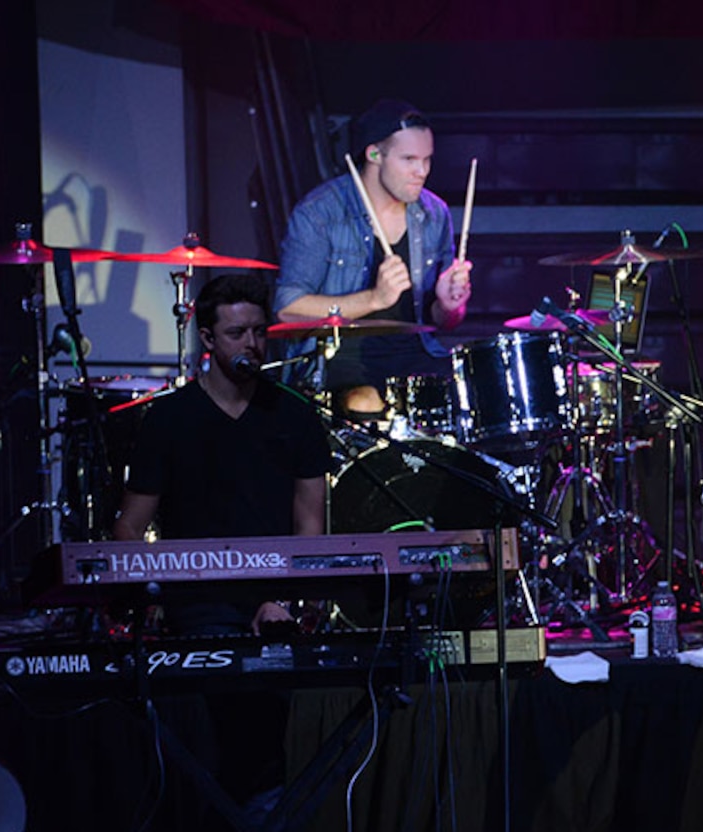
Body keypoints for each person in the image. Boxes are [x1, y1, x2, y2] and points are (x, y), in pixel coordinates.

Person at [114, 271, 330, 632]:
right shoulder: (169, 417)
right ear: (207, 338)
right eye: (236, 334)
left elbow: (309, 526)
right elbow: (130, 526)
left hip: (275, 602)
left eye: (259, 332)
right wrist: (150, 595)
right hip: (194, 601)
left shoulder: (295, 414)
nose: (252, 344)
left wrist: (285, 600)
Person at [274, 98, 472, 415]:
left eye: (427, 160)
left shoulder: (434, 213)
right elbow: (287, 309)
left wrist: (450, 305)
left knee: (473, 394)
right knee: (364, 401)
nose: (421, 171)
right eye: (409, 159)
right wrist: (374, 299)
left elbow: (444, 322)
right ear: (374, 154)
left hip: (412, 355)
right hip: (339, 361)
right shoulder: (320, 212)